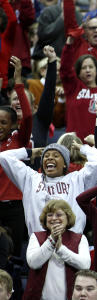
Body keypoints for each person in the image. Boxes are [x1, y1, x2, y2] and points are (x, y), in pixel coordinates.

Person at [0, 141, 97, 236]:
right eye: (46, 156)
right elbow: (4, 157)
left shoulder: (77, 179)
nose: (50, 158)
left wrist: (83, 149)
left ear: (65, 164)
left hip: (72, 243)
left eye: (56, 155)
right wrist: (30, 152)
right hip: (39, 245)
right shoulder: (31, 179)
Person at [24, 200, 90, 299]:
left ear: (67, 218)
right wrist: (51, 240)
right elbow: (33, 263)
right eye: (50, 215)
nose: (54, 218)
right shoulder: (36, 236)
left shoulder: (80, 238)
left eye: (59, 215)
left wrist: (60, 249)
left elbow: (85, 265)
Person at [0, 56, 33, 257]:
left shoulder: (18, 140)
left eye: (3, 122)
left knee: (15, 257)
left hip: (15, 208)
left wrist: (18, 79)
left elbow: (28, 116)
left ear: (12, 124)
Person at [60, 36, 97, 141]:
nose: (87, 70)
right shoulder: (73, 88)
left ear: (96, 70)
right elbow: (65, 70)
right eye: (83, 67)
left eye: (91, 67)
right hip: (75, 146)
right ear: (78, 72)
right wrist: (69, 45)